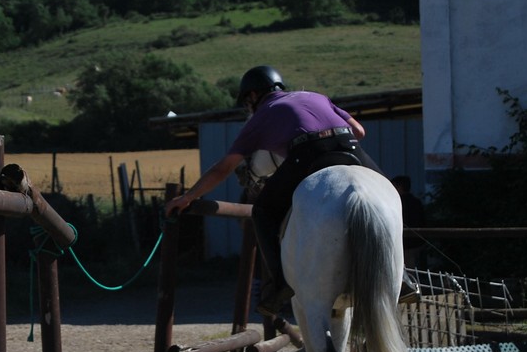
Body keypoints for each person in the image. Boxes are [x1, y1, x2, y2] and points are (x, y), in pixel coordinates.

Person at [165, 65, 385, 317]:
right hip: (348, 146)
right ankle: (399, 274)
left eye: (247, 102)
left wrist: (188, 197)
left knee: (262, 211)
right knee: (387, 196)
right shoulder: (315, 96)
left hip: (307, 153)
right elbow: (359, 131)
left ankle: (280, 283)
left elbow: (223, 168)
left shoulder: (260, 117)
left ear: (252, 96)